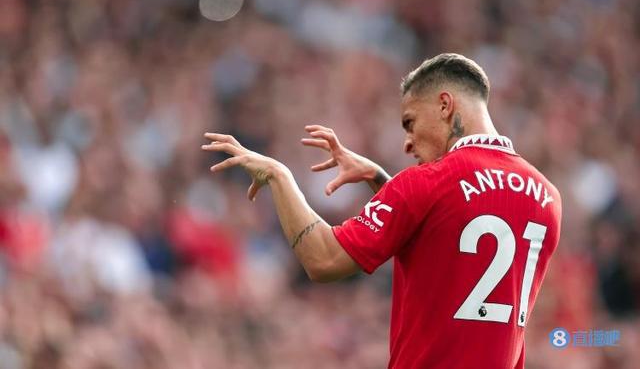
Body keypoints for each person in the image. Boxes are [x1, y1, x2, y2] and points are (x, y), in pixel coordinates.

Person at [201, 53, 561, 368]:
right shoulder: (546, 196)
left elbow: (323, 259)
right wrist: (380, 180)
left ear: (444, 105)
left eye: (410, 123)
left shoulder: (426, 182)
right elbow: (450, 228)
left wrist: (279, 177)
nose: (407, 143)